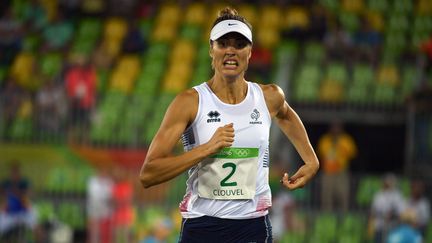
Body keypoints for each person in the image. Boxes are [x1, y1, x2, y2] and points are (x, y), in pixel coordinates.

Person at [139, 7, 319, 242]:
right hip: (202, 224)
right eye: (223, 44)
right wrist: (206, 149)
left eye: (239, 44)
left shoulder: (269, 97)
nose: (231, 51)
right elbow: (148, 174)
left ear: (250, 52)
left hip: (252, 225)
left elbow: (285, 114)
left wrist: (311, 160)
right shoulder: (189, 103)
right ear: (211, 50)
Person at [317, 121, 357, 212]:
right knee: (327, 196)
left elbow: (353, 154)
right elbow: (320, 154)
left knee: (342, 195)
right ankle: (327, 217)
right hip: (328, 172)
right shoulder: (325, 140)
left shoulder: (346, 140)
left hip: (341, 172)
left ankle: (343, 216)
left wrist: (340, 147)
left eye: (337, 128)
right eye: (333, 128)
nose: (335, 130)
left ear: (341, 129)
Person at [0, 161, 37, 238]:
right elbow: (2, 194)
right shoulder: (6, 183)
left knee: (36, 227)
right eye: (12, 172)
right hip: (10, 212)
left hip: (24, 211)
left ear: (19, 172)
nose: (14, 174)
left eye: (16, 171)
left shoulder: (24, 182)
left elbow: (31, 194)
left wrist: (20, 193)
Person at [368, 173, 406, 243]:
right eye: (387, 181)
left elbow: (402, 211)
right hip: (379, 226)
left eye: (391, 181)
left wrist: (393, 215)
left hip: (393, 227)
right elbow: (373, 210)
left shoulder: (398, 195)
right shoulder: (378, 195)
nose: (388, 183)